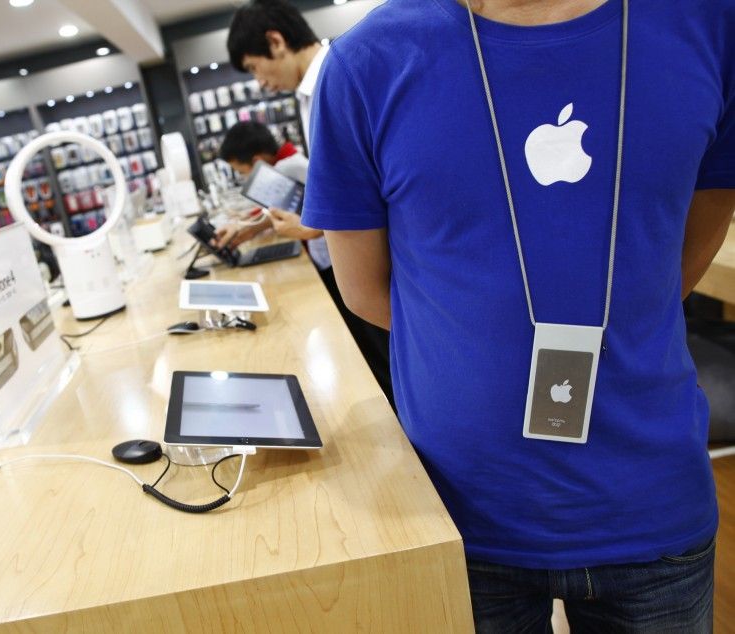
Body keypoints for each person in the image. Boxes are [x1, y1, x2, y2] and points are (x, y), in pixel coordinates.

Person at [302, 0, 735, 630]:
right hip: (457, 513)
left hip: (651, 501)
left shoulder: (707, 23)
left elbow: (688, 244)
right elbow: (366, 289)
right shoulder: (367, 63)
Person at [226, 0, 394, 407]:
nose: (259, 82)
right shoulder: (309, 95)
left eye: (253, 66)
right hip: (354, 269)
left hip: (374, 272)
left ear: (276, 41)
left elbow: (357, 195)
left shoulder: (337, 79)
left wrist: (307, 226)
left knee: (390, 370)